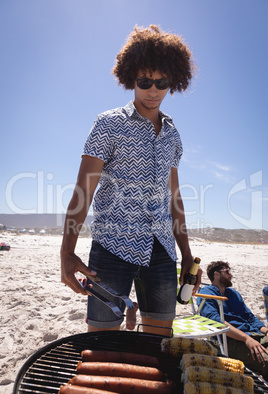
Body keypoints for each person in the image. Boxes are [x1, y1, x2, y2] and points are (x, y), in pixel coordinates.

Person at [61, 25, 202, 336]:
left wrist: (187, 254)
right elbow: (83, 191)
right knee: (101, 343)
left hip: (163, 252)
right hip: (111, 249)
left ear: (173, 82)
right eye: (144, 81)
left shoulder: (173, 136)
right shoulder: (108, 124)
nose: (153, 90)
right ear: (131, 79)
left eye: (162, 82)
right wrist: (67, 252)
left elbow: (174, 199)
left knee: (159, 344)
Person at [197, 261, 268, 380]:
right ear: (216, 274)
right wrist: (246, 339)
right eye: (227, 271)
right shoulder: (207, 294)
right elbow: (217, 324)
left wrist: (266, 331)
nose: (231, 275)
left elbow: (250, 317)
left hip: (253, 335)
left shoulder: (233, 293)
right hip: (231, 340)